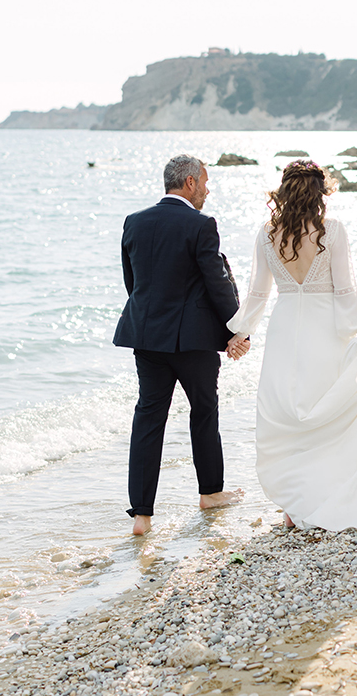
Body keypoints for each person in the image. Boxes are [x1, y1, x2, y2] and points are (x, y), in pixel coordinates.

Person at [226, 160, 357, 534]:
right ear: (320, 194)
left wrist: (240, 331)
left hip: (285, 329)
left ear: (285, 191)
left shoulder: (266, 233)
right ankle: (323, 496)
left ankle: (293, 506)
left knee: (287, 416)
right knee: (325, 416)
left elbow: (259, 293)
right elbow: (344, 291)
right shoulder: (332, 231)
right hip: (325, 332)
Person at [113, 154, 249, 536]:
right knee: (204, 411)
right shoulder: (201, 224)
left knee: (148, 418)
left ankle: (141, 515)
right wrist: (237, 331)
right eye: (205, 181)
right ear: (189, 183)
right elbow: (216, 283)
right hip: (192, 342)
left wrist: (150, 321)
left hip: (146, 337)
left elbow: (133, 283)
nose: (207, 189)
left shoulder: (134, 221)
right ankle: (210, 493)